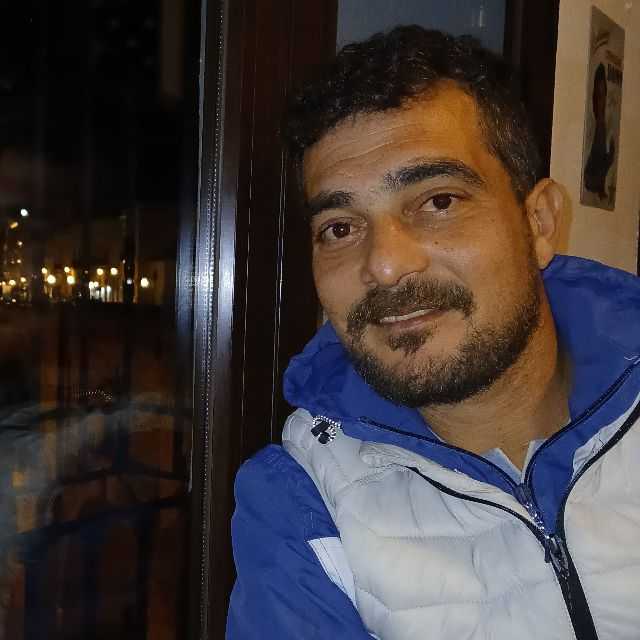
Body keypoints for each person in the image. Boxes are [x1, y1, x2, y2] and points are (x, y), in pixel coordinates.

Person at [227, 26, 640, 640]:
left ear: (538, 222)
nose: (384, 265)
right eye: (339, 228)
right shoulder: (304, 501)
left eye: (438, 201)